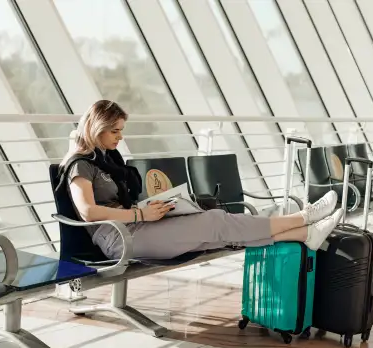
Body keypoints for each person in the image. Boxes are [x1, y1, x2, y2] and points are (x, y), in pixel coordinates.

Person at [59, 100, 344, 260]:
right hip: (118, 238)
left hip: (135, 225)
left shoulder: (108, 159)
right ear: (98, 128)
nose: (121, 137)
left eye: (121, 130)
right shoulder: (81, 165)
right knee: (215, 222)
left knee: (217, 232)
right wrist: (139, 213)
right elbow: (88, 211)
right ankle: (303, 219)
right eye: (115, 132)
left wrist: (152, 210)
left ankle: (306, 234)